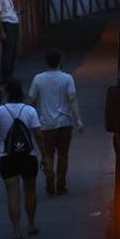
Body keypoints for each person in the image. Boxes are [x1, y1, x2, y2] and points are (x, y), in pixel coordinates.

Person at [0, 79, 42, 239]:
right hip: (28, 156)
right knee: (30, 191)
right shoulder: (30, 111)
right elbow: (38, 135)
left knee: (12, 194)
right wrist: (46, 155)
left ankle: (16, 230)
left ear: (7, 93)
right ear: (21, 92)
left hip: (8, 156)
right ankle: (32, 224)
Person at [28, 48, 84, 196]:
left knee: (48, 153)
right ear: (60, 61)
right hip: (65, 122)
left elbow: (32, 100)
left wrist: (29, 120)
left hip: (46, 123)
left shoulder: (38, 79)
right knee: (63, 154)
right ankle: (61, 184)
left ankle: (49, 175)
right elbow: (72, 99)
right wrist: (78, 120)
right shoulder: (67, 78)